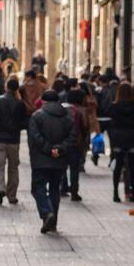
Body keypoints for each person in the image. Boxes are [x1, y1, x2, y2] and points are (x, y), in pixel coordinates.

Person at [28, 89, 77, 234]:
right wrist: (60, 149)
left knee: (38, 188)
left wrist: (49, 149)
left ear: (43, 101)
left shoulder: (37, 116)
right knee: (55, 189)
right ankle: (53, 222)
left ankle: (46, 212)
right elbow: (72, 136)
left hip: (40, 160)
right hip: (59, 160)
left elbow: (35, 137)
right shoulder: (68, 117)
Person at [0, 77, 28, 205]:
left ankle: (0, 189)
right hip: (13, 140)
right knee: (13, 168)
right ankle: (12, 195)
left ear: (6, 87)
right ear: (16, 89)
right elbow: (24, 123)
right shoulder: (20, 104)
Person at [107, 82, 134, 202]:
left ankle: (115, 193)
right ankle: (133, 193)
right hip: (132, 136)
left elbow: (111, 123)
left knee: (118, 165)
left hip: (118, 137)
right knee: (132, 166)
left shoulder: (114, 106)